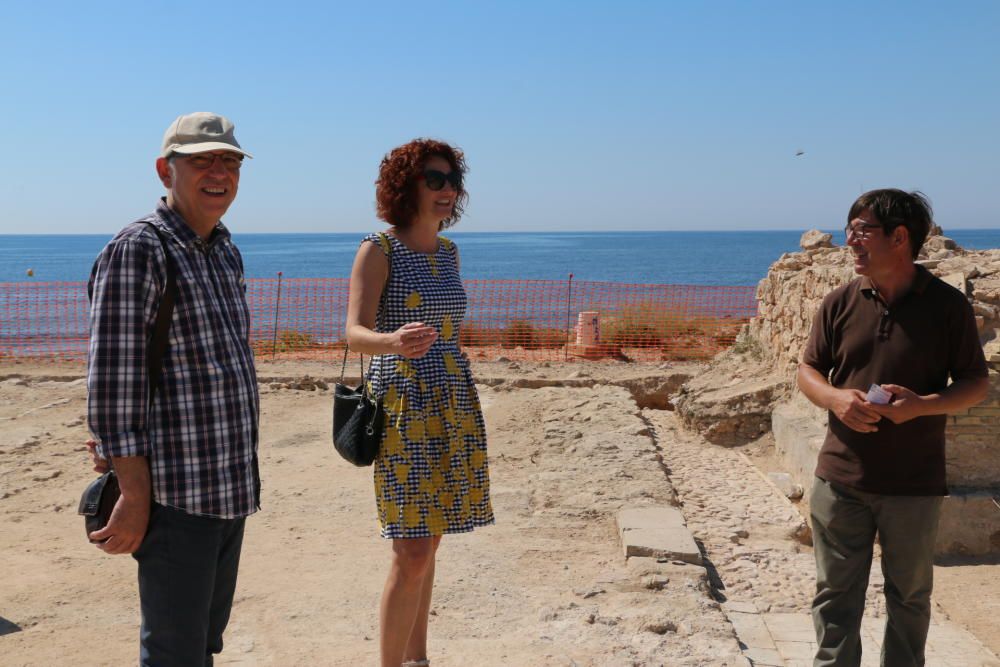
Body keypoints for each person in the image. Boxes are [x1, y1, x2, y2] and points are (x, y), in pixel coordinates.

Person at [86, 111, 260, 666]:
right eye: (202, 159)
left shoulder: (224, 250)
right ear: (166, 170)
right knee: (173, 654)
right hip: (174, 495)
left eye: (230, 161)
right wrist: (134, 494)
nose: (219, 172)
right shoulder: (141, 248)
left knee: (201, 645)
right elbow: (113, 385)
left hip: (228, 488)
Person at [797, 189, 989, 667]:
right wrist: (836, 399)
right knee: (835, 598)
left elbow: (975, 384)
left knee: (909, 600)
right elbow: (808, 370)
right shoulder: (839, 301)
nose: (850, 242)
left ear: (899, 237)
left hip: (914, 485)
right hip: (840, 479)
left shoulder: (947, 307)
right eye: (849, 231)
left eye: (862, 231)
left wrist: (923, 405)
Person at [345, 139, 495, 667]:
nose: (447, 189)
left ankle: (418, 660)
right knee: (409, 549)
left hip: (453, 399)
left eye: (452, 180)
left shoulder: (451, 253)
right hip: (403, 403)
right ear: (404, 186)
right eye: (434, 179)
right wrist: (390, 340)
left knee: (429, 545)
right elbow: (353, 333)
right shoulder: (378, 250)